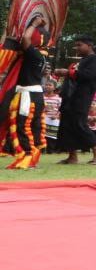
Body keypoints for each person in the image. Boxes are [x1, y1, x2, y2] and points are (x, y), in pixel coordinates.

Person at [0, 16, 52, 168]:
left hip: (27, 96)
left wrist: (34, 24)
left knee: (22, 126)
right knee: (33, 127)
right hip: (34, 95)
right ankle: (31, 158)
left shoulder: (34, 55)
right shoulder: (41, 55)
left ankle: (27, 156)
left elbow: (25, 39)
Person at [53, 35, 96, 165]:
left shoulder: (95, 60)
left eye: (79, 45)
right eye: (75, 45)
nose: (76, 48)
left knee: (79, 123)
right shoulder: (82, 60)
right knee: (67, 125)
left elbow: (88, 76)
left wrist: (67, 72)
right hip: (71, 96)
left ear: (89, 45)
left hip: (83, 97)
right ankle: (72, 156)